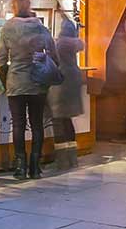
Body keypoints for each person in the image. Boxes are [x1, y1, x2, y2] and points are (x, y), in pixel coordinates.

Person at [0, 0, 59, 179]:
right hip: (38, 82)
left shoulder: (7, 28)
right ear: (29, 5)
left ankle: (20, 166)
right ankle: (35, 166)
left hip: (16, 82)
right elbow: (54, 54)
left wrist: (7, 71)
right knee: (37, 124)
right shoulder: (40, 27)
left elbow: (0, 58)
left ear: (13, 6)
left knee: (18, 124)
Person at [47, 19, 84, 170]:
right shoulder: (74, 45)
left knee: (57, 120)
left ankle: (62, 160)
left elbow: (51, 60)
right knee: (67, 120)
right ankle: (72, 157)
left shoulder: (59, 44)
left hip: (60, 83)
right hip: (73, 81)